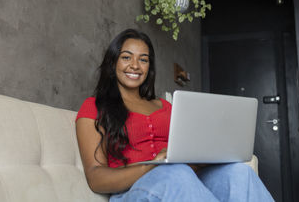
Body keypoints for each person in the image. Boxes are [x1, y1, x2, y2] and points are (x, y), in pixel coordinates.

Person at [76, 28, 274, 202]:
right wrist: (155, 166)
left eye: (143, 60)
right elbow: (96, 178)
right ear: (113, 63)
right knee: (176, 173)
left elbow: (187, 158)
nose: (135, 65)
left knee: (239, 173)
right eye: (126, 57)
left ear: (149, 68)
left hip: (183, 181)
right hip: (132, 192)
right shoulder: (94, 107)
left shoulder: (167, 107)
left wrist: (201, 158)